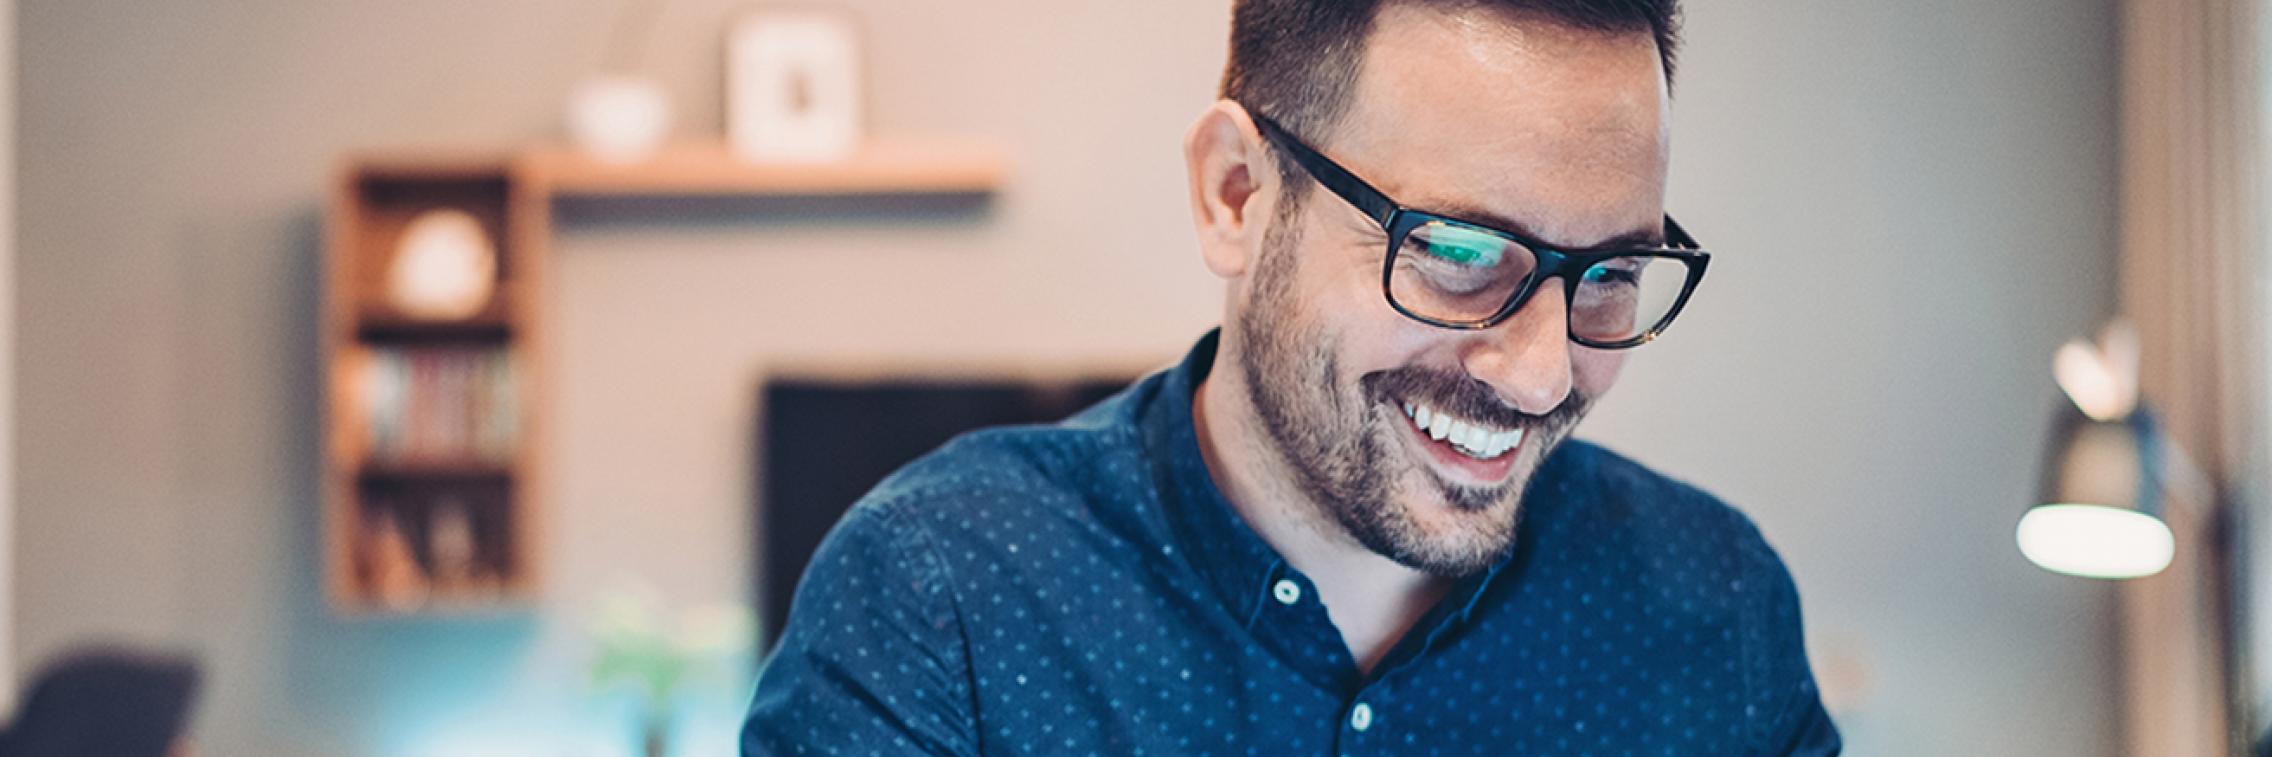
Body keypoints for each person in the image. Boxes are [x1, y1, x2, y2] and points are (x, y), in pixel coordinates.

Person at [743, 0, 1840, 753]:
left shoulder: (1716, 612)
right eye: (1458, 251)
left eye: (1610, 272)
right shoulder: (940, 607)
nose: (1544, 371)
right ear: (1235, 193)